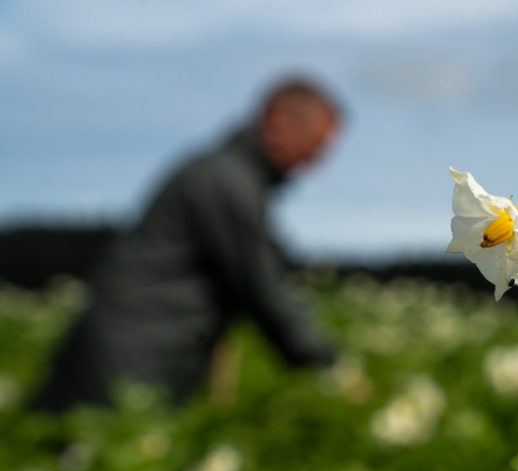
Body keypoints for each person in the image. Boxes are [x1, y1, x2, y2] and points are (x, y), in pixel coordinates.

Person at [31, 78, 341, 411]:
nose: (315, 162)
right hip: (135, 355)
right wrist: (328, 367)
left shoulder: (224, 174)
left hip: (131, 347)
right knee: (98, 452)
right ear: (279, 124)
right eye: (315, 145)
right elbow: (261, 286)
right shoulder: (227, 182)